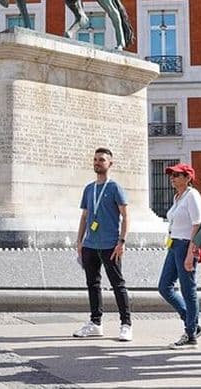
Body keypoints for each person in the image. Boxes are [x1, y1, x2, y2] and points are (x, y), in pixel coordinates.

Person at [73, 147, 132, 342]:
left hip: (110, 244)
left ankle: (126, 324)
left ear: (110, 163)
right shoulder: (89, 188)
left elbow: (125, 216)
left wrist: (122, 241)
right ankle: (95, 323)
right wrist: (79, 241)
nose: (97, 163)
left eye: (102, 160)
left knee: (118, 284)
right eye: (96, 159)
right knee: (92, 284)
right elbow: (84, 216)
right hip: (90, 244)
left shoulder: (114, 188)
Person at [157, 163, 201, 349]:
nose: (172, 178)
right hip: (174, 244)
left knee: (188, 289)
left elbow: (197, 225)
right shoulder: (178, 197)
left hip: (186, 244)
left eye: (176, 175)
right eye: (171, 175)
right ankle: (192, 322)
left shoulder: (192, 196)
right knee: (164, 287)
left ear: (187, 177)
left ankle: (191, 333)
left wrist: (191, 253)